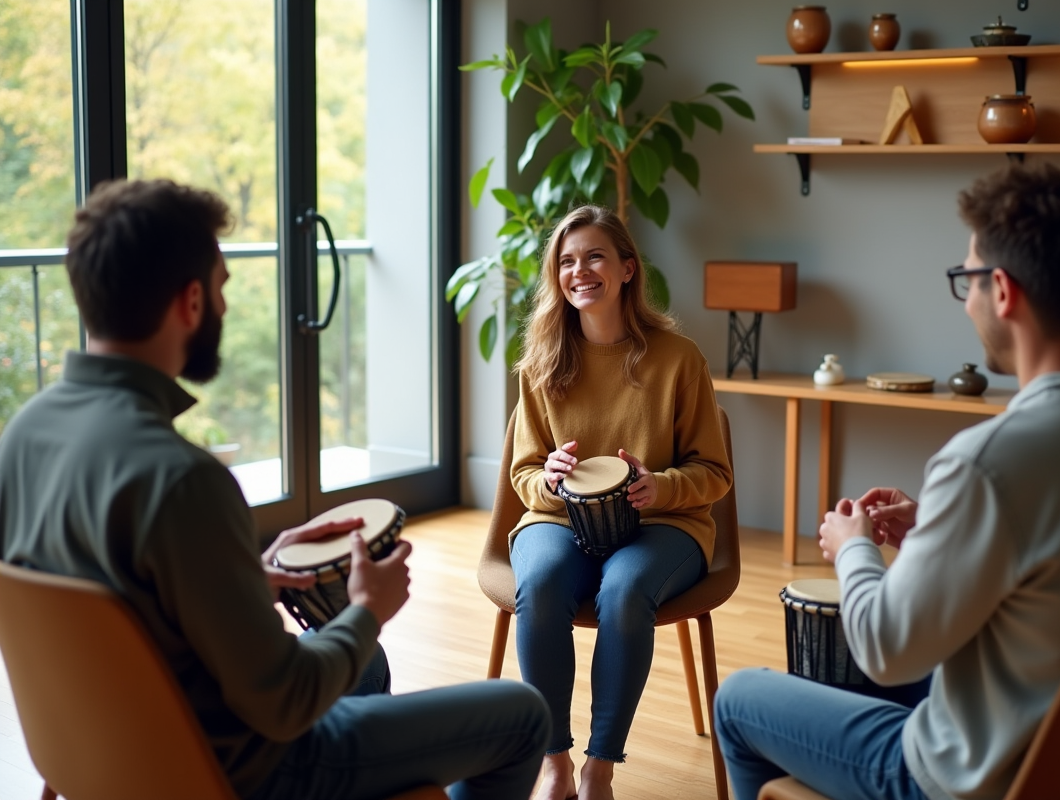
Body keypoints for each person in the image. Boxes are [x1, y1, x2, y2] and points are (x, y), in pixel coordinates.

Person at [0, 179, 550, 800]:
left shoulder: (23, 434)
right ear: (189, 301)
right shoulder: (182, 478)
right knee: (522, 713)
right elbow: (285, 704)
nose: (225, 308)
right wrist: (370, 606)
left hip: (107, 755)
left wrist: (244, 572)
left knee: (361, 662)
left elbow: (114, 609)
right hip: (246, 772)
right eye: (222, 288)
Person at [713, 163, 1060, 800]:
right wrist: (938, 530)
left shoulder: (988, 460)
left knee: (741, 698)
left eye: (966, 279)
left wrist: (853, 546)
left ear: (1003, 291)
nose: (965, 299)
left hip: (974, 779)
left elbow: (884, 650)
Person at [508, 205, 732, 800]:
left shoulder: (679, 359)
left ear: (628, 269)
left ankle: (599, 767)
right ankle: (555, 758)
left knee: (625, 590)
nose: (580, 271)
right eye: (566, 261)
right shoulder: (541, 365)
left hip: (663, 523)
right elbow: (523, 473)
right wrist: (550, 478)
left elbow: (714, 472)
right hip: (558, 520)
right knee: (543, 583)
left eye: (595, 256)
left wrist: (661, 485)